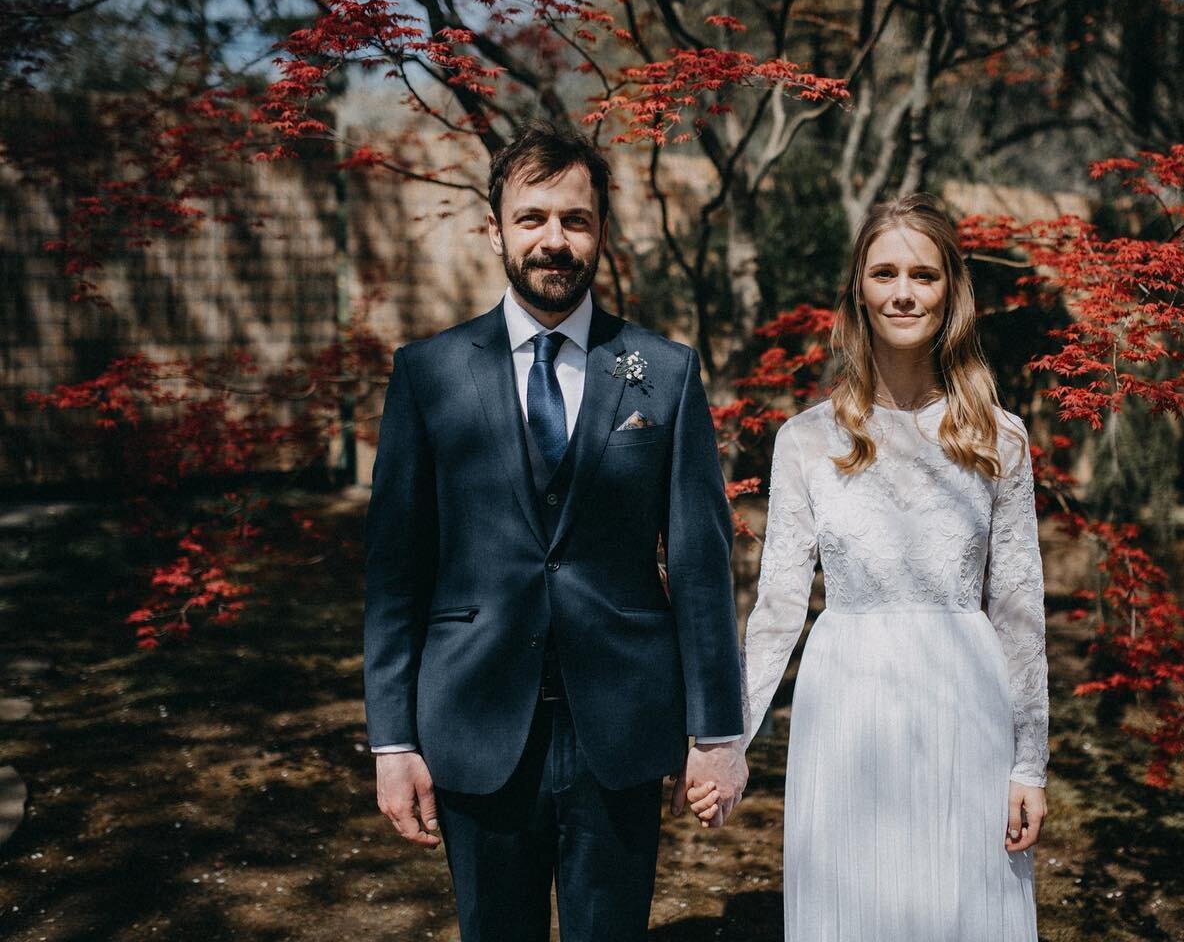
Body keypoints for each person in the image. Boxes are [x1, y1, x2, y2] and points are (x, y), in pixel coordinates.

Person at [362, 119, 747, 942]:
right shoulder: (428, 374)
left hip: (622, 725)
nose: (554, 240)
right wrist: (391, 741)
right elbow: (396, 574)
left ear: (601, 232)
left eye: (575, 220)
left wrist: (716, 732)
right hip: (474, 721)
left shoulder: (663, 372)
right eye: (533, 218)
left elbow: (701, 562)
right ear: (496, 228)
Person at [690, 192, 1049, 939]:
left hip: (966, 700)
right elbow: (780, 605)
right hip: (846, 704)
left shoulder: (1000, 438)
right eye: (884, 272)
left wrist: (1030, 766)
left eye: (923, 274)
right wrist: (728, 741)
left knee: (959, 903)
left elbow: (1019, 610)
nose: (904, 292)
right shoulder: (806, 440)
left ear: (951, 290)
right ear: (859, 287)